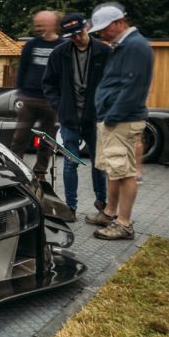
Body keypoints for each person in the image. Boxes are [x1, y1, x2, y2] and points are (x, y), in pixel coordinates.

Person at [85, 3, 153, 240]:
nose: (101, 34)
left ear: (120, 22)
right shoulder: (124, 45)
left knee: (125, 173)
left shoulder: (135, 46)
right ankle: (109, 213)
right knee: (114, 170)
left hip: (121, 120)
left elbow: (131, 88)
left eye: (104, 28)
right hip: (113, 119)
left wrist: (112, 117)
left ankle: (124, 224)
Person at [42, 12, 111, 222]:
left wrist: (105, 107)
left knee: (99, 162)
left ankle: (102, 204)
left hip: (95, 118)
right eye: (72, 35)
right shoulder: (59, 53)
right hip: (70, 118)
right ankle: (70, 208)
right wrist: (60, 106)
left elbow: (112, 82)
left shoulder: (104, 51)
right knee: (70, 162)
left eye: (79, 33)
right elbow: (49, 84)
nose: (77, 38)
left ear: (87, 26)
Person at [11, 11, 62, 178]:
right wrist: (21, 92)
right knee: (20, 136)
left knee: (47, 140)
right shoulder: (31, 44)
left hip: (50, 100)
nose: (38, 28)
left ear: (51, 25)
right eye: (37, 24)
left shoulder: (61, 46)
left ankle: (40, 172)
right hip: (30, 97)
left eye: (41, 24)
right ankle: (15, 169)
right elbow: (22, 68)